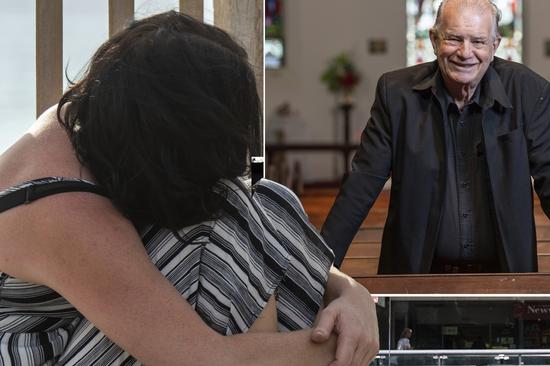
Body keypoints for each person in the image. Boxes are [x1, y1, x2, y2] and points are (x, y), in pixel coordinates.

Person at [0, 11, 378, 365]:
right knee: (223, 218)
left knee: (267, 200)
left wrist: (350, 294)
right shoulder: (65, 213)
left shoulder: (88, 121)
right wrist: (340, 346)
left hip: (80, 335)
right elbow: (199, 358)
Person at [321, 0, 550, 288]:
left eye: (478, 41)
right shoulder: (397, 94)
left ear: (495, 44)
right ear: (434, 40)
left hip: (505, 275)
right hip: (415, 275)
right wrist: (319, 266)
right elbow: (362, 183)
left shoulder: (529, 92)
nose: (466, 52)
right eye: (454, 38)